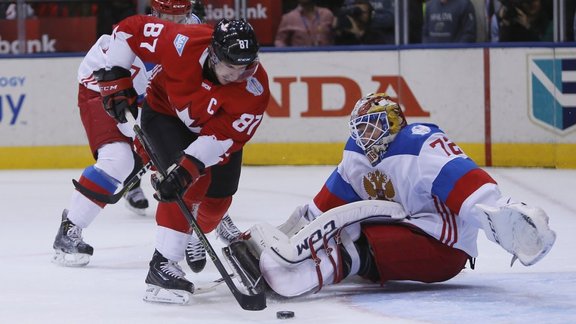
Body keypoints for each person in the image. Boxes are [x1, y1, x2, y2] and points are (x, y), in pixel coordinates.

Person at [224, 92, 557, 297]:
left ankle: (306, 275)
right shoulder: (356, 155)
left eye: (372, 126)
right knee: (345, 228)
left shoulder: (420, 144)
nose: (363, 135)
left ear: (394, 123)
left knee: (355, 239)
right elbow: (322, 209)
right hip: (406, 227)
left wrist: (496, 211)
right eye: (360, 128)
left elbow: (466, 181)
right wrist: (278, 236)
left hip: (443, 247)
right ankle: (301, 261)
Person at [93, 16, 270, 304]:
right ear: (213, 55)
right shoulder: (182, 41)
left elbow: (220, 139)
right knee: (187, 186)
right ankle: (162, 267)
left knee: (218, 201)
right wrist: (116, 74)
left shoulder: (254, 91)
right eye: (231, 66)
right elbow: (129, 29)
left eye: (245, 67)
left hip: (214, 135)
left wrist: (189, 166)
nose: (238, 75)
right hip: (165, 114)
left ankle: (189, 234)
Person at [52, 0, 201, 267]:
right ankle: (70, 228)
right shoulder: (143, 42)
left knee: (182, 153)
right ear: (154, 13)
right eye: (167, 16)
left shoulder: (195, 31)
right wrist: (155, 154)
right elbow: (138, 110)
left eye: (181, 17)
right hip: (102, 90)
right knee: (118, 159)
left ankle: (196, 226)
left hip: (147, 95)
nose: (175, 23)